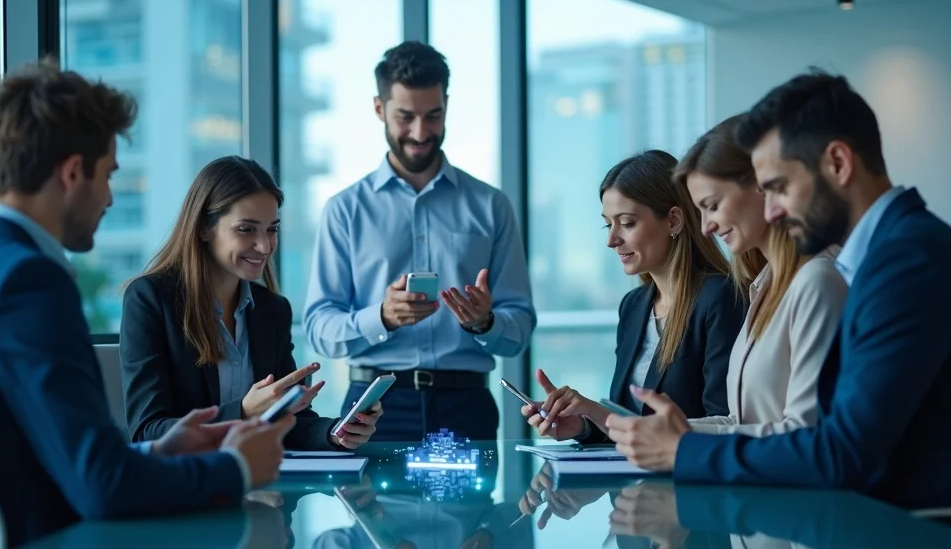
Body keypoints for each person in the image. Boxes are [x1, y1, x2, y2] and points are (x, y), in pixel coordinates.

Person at [0, 59, 294, 547]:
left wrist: (160, 453)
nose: (109, 199)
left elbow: (56, 456)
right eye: (108, 175)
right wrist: (234, 469)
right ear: (73, 172)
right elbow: (102, 487)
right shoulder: (27, 283)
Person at [605, 70, 951, 509]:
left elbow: (839, 449)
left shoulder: (905, 259)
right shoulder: (881, 256)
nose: (771, 209)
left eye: (778, 187)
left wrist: (685, 449)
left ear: (839, 164)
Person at [302, 41, 536, 442]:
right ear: (380, 109)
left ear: (447, 105)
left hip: (467, 410)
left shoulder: (491, 206)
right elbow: (320, 329)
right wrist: (382, 317)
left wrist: (487, 322)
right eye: (405, 116)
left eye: (433, 115)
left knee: (468, 507)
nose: (420, 132)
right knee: (365, 508)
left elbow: (521, 329)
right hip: (371, 409)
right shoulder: (345, 210)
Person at [120, 156, 381, 451]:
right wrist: (243, 413)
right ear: (204, 227)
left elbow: (289, 422)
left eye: (272, 229)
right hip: (184, 487)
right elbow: (147, 432)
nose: (265, 246)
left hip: (257, 483)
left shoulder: (272, 309)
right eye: (246, 229)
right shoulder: (150, 299)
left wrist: (335, 432)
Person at [522, 150, 745, 442]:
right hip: (637, 481)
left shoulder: (719, 298)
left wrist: (598, 413)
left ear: (674, 220)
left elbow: (721, 425)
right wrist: (584, 426)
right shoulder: (634, 306)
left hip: (688, 480)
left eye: (626, 223)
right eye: (608, 224)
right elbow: (632, 420)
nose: (611, 240)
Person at [674, 114, 847, 436]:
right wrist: (646, 431)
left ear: (763, 184)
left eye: (712, 205)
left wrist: (677, 439)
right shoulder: (764, 286)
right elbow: (740, 423)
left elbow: (804, 433)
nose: (705, 226)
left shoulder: (816, 281)